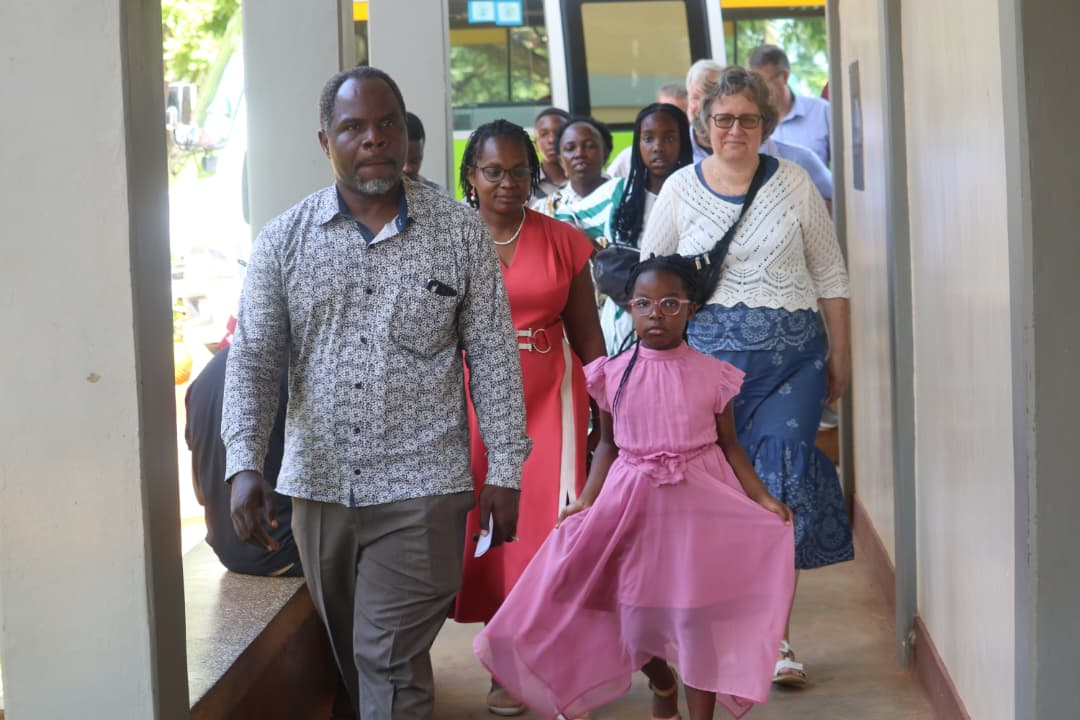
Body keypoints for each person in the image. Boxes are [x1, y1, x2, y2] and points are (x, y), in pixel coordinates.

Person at [222, 66, 530, 720]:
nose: (373, 139)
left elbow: (495, 355)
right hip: (320, 489)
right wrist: (245, 460)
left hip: (424, 487)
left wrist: (505, 467)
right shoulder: (283, 241)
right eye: (353, 127)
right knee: (360, 665)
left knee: (386, 660)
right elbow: (252, 358)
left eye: (386, 123)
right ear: (324, 140)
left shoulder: (458, 231)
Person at [474, 255, 796, 720]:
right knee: (629, 609)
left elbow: (731, 447)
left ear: (690, 309)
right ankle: (662, 682)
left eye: (669, 303)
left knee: (694, 614)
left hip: (699, 503)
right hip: (632, 502)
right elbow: (606, 445)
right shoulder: (610, 374)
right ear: (628, 308)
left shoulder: (713, 374)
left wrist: (762, 499)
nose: (656, 314)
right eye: (644, 303)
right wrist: (586, 501)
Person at [640, 65, 853, 686]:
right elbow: (652, 282)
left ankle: (776, 638)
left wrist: (840, 354)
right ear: (704, 124)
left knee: (776, 491)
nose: (736, 129)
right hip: (711, 371)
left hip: (794, 363)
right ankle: (710, 628)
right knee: (719, 499)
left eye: (749, 119)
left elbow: (832, 278)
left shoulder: (795, 183)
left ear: (768, 123)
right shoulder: (680, 189)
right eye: (724, 118)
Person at [452, 119, 606, 716]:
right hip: (469, 399)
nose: (508, 183)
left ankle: (525, 659)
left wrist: (609, 412)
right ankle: (499, 648)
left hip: (551, 394)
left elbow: (588, 334)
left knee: (542, 529)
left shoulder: (562, 240)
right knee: (486, 534)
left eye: (520, 171)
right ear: (472, 176)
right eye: (494, 172)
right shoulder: (448, 239)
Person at [554, 104, 693, 353]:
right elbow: (566, 216)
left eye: (669, 138)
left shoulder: (697, 195)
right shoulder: (619, 193)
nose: (658, 147)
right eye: (648, 138)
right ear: (637, 145)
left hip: (684, 329)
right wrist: (595, 252)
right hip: (622, 333)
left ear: (683, 142)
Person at [185, 346, 300, 577]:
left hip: (226, 549)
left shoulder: (206, 375)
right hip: (286, 550)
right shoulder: (296, 363)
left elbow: (199, 495)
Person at [748, 44, 831, 165]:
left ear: (785, 76)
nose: (758, 90)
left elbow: (846, 162)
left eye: (763, 82)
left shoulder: (821, 111)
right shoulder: (749, 120)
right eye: (754, 83)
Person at [606, 83, 688, 179]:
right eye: (664, 111)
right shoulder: (628, 158)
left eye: (677, 113)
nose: (658, 148)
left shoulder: (698, 160)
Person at [531, 116, 609, 217]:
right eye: (570, 148)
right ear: (561, 160)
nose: (579, 154)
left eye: (589, 146)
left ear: (605, 154)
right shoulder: (544, 210)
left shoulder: (626, 195)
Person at [403, 111, 448, 194]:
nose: (407, 168)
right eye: (401, 161)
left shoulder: (438, 194)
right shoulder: (373, 197)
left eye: (414, 161)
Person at [532, 107, 570, 199]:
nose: (551, 140)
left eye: (559, 133)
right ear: (535, 144)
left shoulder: (595, 181)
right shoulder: (522, 185)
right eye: (544, 134)